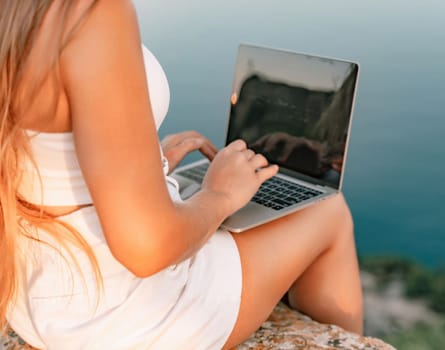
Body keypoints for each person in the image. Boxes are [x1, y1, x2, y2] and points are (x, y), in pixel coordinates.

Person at [0, 0, 363, 349]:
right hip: (121, 316)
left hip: (37, 297)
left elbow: (43, 157)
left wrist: (142, 165)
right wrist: (219, 196)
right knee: (326, 211)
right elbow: (148, 248)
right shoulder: (89, 12)